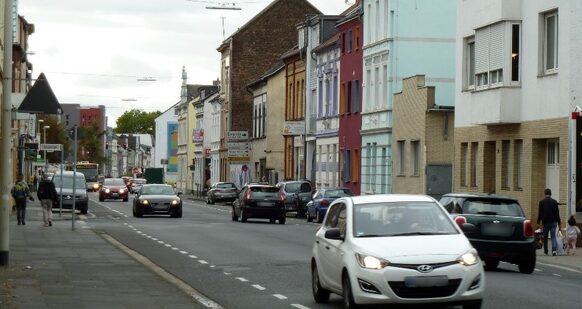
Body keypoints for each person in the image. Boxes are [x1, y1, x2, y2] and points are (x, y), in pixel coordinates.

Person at [537, 188, 562, 256]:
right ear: (550, 194)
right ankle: (554, 250)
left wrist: (538, 222)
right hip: (553, 222)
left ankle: (546, 250)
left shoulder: (541, 202)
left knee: (545, 237)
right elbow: (557, 214)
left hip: (545, 223)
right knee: (553, 236)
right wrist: (559, 223)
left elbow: (540, 213)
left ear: (545, 193)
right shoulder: (554, 202)